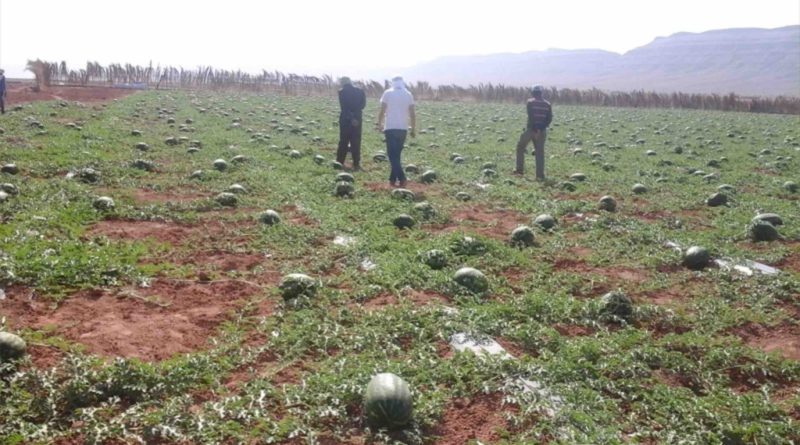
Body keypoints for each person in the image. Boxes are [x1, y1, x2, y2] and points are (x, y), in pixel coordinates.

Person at [376, 76, 415, 187]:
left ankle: (402, 178)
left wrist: (379, 124)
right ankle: (392, 179)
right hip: (403, 129)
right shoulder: (408, 94)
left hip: (390, 128)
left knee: (392, 155)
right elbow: (412, 113)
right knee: (396, 155)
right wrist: (413, 128)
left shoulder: (387, 93)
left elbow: (382, 110)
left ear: (393, 83)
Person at [515, 85, 552, 180]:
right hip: (542, 132)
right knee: (539, 152)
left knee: (520, 147)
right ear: (541, 93)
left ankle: (519, 170)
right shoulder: (548, 104)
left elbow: (531, 117)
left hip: (531, 130)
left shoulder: (530, 102)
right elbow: (549, 119)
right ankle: (540, 175)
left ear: (533, 93)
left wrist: (535, 130)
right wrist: (540, 129)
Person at [336, 77, 366, 170]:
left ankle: (340, 162)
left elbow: (344, 107)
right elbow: (363, 105)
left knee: (343, 141)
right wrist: (355, 117)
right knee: (356, 141)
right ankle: (356, 163)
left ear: (342, 83)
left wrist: (351, 118)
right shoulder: (361, 91)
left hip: (346, 119)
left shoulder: (341, 92)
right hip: (358, 119)